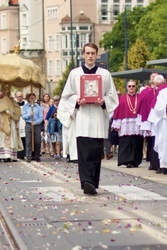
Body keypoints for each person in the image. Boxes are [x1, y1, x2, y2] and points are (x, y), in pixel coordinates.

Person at [59, 42, 118, 195]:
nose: (90, 56)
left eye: (93, 53)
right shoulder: (75, 74)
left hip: (98, 117)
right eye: (88, 53)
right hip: (83, 118)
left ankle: (92, 181)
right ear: (83, 54)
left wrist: (103, 100)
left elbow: (112, 96)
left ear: (97, 55)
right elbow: (67, 96)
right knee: (84, 152)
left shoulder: (105, 74)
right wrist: (77, 100)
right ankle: (86, 182)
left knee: (96, 152)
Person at [111, 80, 143, 168]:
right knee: (126, 142)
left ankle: (135, 161)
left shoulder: (140, 97)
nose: (131, 88)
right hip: (125, 123)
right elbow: (118, 111)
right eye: (129, 86)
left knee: (137, 143)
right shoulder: (123, 97)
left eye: (133, 86)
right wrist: (117, 124)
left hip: (137, 123)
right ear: (127, 87)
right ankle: (126, 161)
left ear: (136, 87)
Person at [0, 84, 23, 162]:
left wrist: (10, 112)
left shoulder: (12, 101)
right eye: (4, 92)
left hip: (11, 122)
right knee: (2, 139)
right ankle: (3, 155)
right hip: (1, 123)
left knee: (11, 139)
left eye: (7, 91)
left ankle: (11, 156)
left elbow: (17, 111)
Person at [22, 93, 43, 163]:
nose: (32, 99)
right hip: (28, 124)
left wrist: (36, 122)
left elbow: (41, 117)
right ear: (28, 98)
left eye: (33, 98)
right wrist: (29, 114)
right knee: (28, 141)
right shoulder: (25, 107)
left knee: (37, 141)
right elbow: (23, 116)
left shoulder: (38, 107)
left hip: (36, 125)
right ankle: (28, 156)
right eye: (30, 98)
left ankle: (37, 156)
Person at [151, 86, 167, 174]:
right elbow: (157, 108)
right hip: (165, 123)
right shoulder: (163, 92)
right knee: (164, 143)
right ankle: (165, 166)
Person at [15, 91, 26, 160]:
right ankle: (18, 153)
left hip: (24, 121)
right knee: (17, 138)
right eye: (18, 96)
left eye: (20, 96)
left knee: (24, 138)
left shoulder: (26, 103)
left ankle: (24, 153)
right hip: (17, 121)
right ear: (16, 97)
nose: (19, 98)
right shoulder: (14, 104)